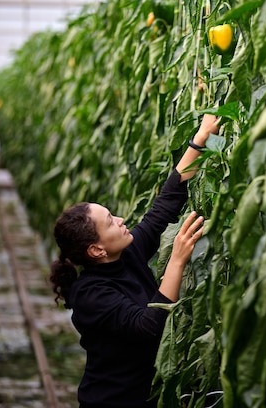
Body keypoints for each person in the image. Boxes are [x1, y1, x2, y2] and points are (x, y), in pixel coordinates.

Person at [49, 114, 220, 408]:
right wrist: (176, 261)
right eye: (110, 222)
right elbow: (147, 328)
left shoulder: (126, 255)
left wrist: (199, 140)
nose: (121, 219)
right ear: (97, 250)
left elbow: (163, 209)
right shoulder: (91, 295)